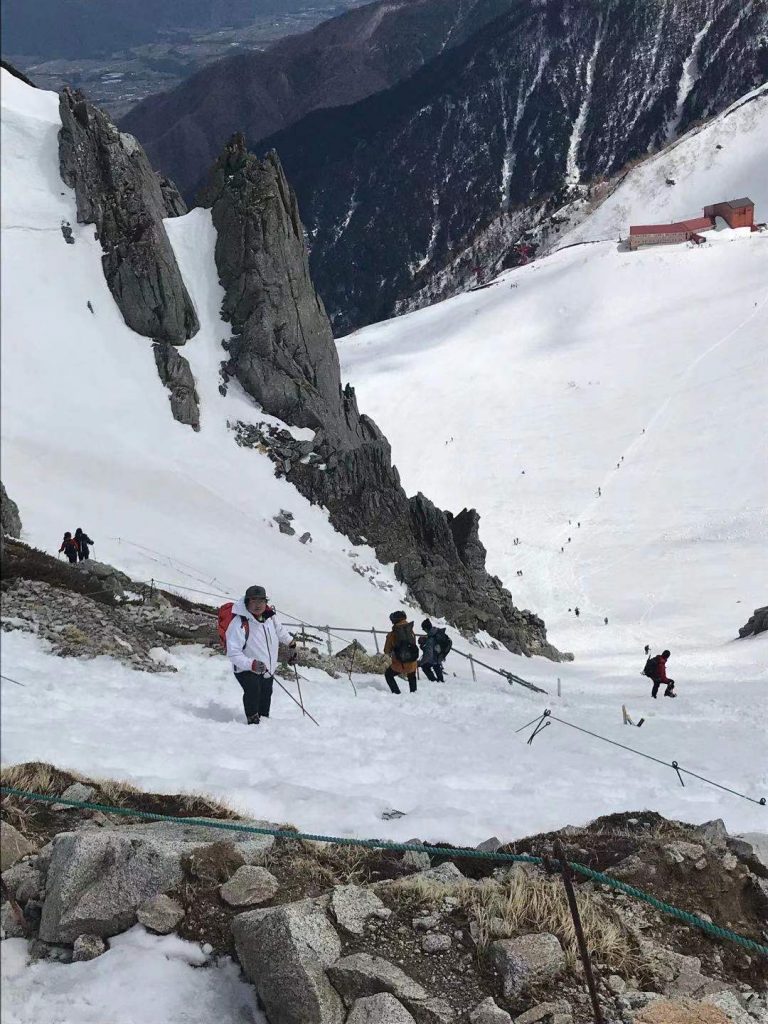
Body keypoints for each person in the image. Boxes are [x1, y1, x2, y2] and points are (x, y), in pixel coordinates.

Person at [224, 584, 296, 724]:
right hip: (246, 668)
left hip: (268, 667)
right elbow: (233, 653)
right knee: (253, 691)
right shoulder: (239, 623)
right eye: (254, 600)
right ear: (247, 602)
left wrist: (290, 643)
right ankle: (253, 722)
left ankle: (264, 721)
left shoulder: (270, 617)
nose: (258, 605)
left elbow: (280, 630)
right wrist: (251, 664)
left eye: (261, 601)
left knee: (266, 694)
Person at [384, 611, 419, 694]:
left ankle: (396, 693)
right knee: (411, 675)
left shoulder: (393, 634)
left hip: (400, 663)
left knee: (388, 674)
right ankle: (414, 693)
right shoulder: (410, 630)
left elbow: (386, 650)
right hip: (412, 661)